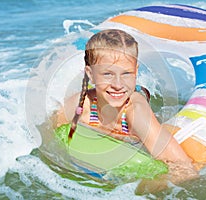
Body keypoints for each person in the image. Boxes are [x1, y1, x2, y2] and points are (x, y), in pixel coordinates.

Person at [54, 29, 198, 192]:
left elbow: (184, 168)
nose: (118, 84)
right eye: (107, 74)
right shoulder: (79, 105)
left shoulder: (136, 113)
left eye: (127, 74)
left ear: (136, 72)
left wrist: (142, 190)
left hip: (130, 108)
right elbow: (54, 138)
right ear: (90, 74)